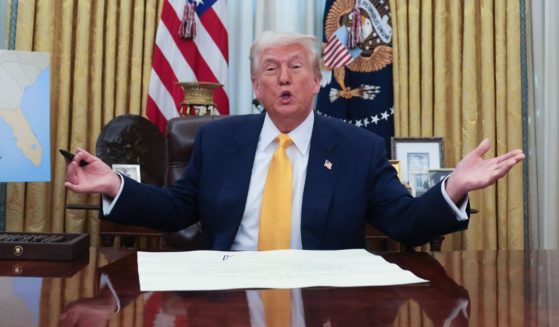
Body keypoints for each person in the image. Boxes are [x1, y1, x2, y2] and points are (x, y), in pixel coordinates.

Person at [64, 31, 524, 251]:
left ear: (317, 80)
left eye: (296, 66)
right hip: (230, 293)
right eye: (270, 68)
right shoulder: (220, 140)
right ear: (255, 84)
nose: (283, 78)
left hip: (324, 296)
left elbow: (404, 221)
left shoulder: (358, 148)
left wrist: (454, 188)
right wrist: (113, 186)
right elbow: (177, 210)